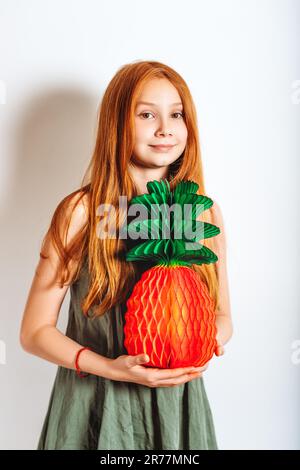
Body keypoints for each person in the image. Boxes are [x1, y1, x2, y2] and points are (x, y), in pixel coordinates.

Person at [19, 60, 233, 450]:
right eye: (147, 114)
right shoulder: (82, 213)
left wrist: (202, 341)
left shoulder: (200, 212)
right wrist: (111, 369)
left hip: (176, 406)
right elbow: (34, 333)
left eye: (177, 114)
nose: (165, 128)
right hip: (95, 406)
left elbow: (223, 316)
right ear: (117, 124)